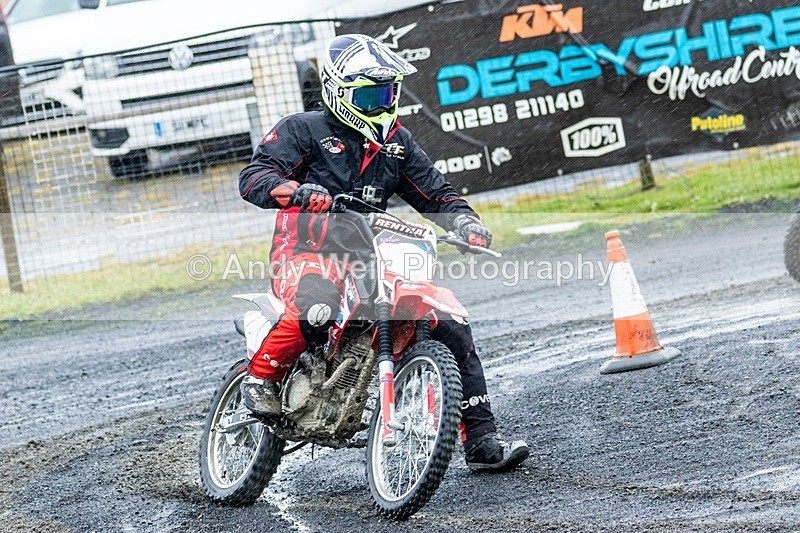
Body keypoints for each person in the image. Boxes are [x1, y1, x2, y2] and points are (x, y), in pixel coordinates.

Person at [238, 34, 529, 471]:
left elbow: (435, 193)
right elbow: (254, 176)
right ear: (337, 90)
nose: (380, 103)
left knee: (451, 324)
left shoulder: (396, 141)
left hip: (370, 255)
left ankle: (481, 440)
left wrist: (466, 223)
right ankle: (260, 378)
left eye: (387, 92)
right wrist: (300, 192)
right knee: (317, 304)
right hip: (305, 250)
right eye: (369, 93)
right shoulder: (304, 129)